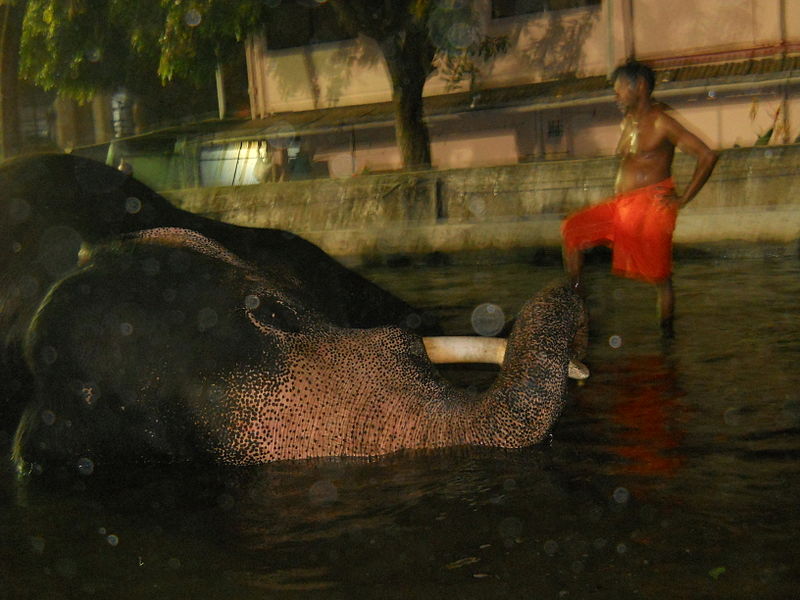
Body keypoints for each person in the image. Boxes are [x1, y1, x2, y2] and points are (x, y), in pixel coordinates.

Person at [561, 60, 718, 335]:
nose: (616, 95)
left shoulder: (661, 121)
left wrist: (682, 200)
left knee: (661, 278)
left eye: (619, 88)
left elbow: (707, 156)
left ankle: (667, 337)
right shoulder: (629, 121)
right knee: (572, 231)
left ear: (640, 87)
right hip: (623, 205)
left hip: (651, 207)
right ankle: (579, 310)